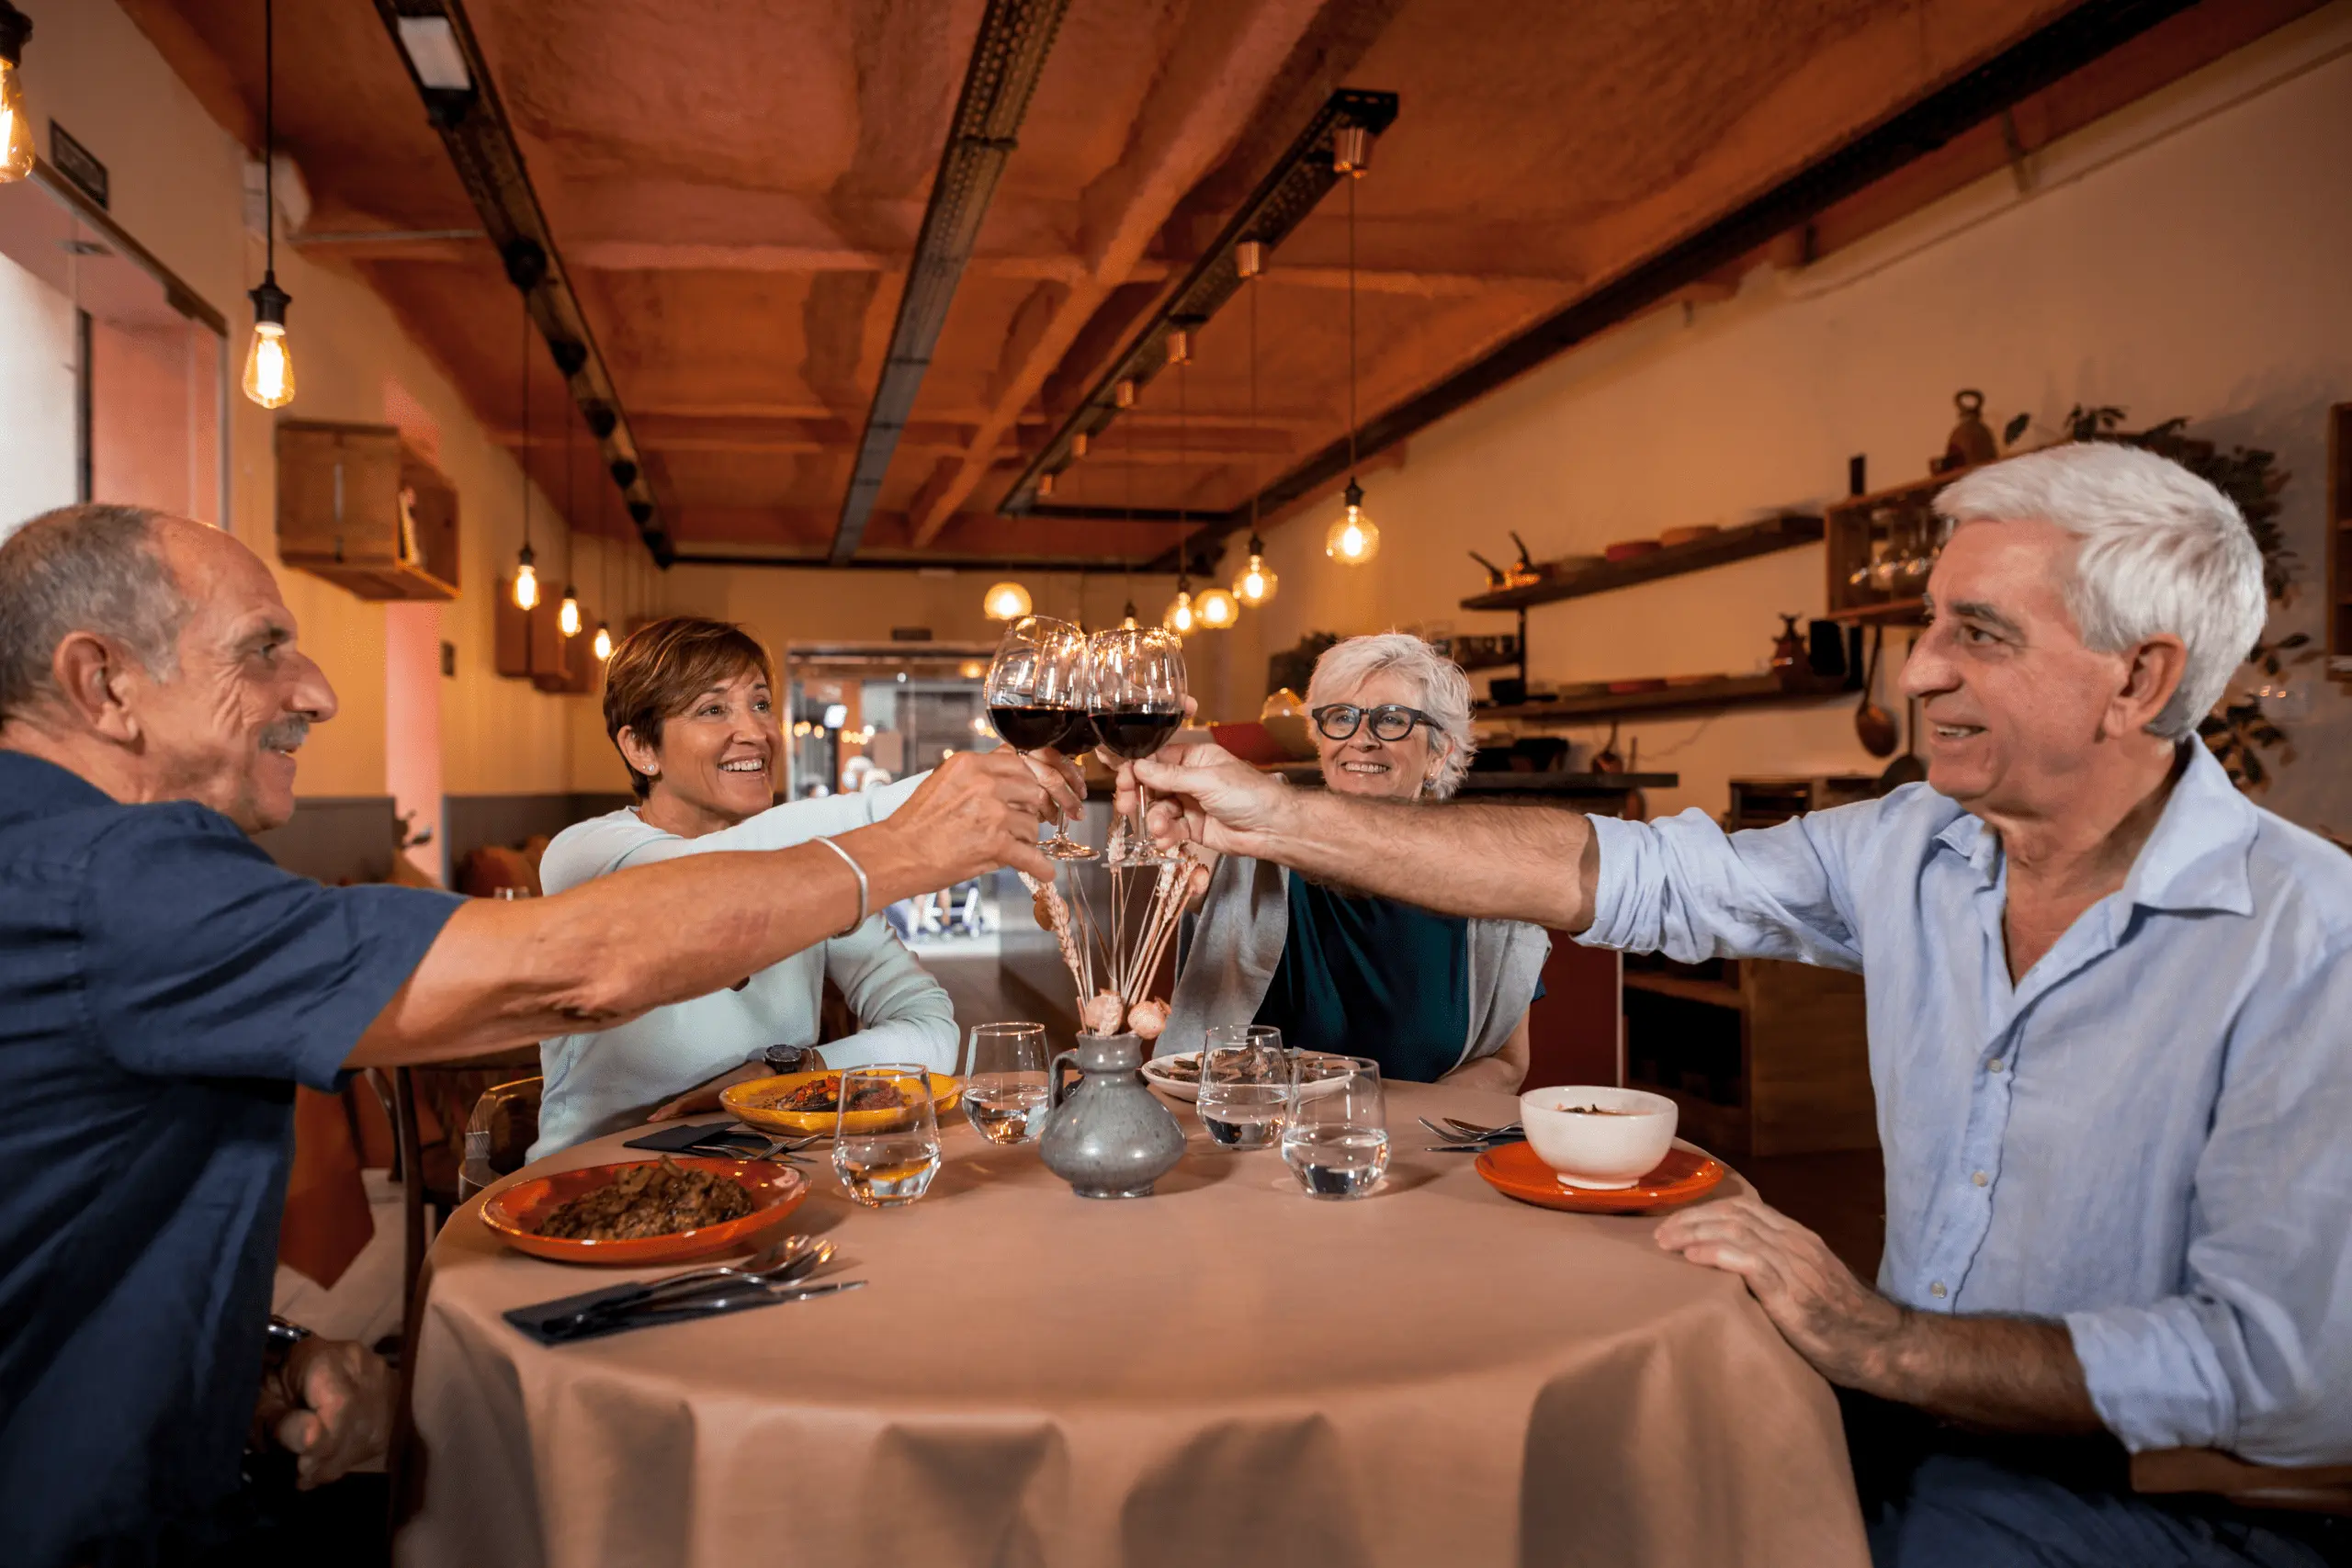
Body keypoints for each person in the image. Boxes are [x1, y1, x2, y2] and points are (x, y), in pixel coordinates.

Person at [1120, 445, 2352, 1565]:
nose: (1923, 669)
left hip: (2185, 1505)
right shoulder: (1913, 846)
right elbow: (1628, 874)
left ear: (2138, 676)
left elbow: (2281, 1371)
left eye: (1980, 633)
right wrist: (1273, 812)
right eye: (1931, 623)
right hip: (1915, 1424)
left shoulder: (2312, 942)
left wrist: (1884, 1341)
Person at [0, 505, 1079, 1567]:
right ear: (105, 684)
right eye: (264, 649)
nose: (318, 692)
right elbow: (579, 969)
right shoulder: (106, 882)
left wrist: (255, 1365)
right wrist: (901, 844)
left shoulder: (98, 869)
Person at [531, 618, 956, 1155]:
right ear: (641, 748)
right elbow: (704, 883)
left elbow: (932, 1030)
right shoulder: (587, 855)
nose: (756, 732)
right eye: (713, 710)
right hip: (596, 1185)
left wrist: (801, 1072)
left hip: (770, 1179)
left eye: (759, 704)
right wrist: (933, 800)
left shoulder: (802, 870)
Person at [1162, 633, 1545, 1089]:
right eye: (1341, 717)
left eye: (1392, 720)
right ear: (1320, 739)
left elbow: (1506, 1061)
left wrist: (1394, 1125)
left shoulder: (1488, 880)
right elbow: (1174, 851)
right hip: (1258, 1137)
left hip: (1417, 1150)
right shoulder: (1252, 839)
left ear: (1438, 755)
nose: (1361, 740)